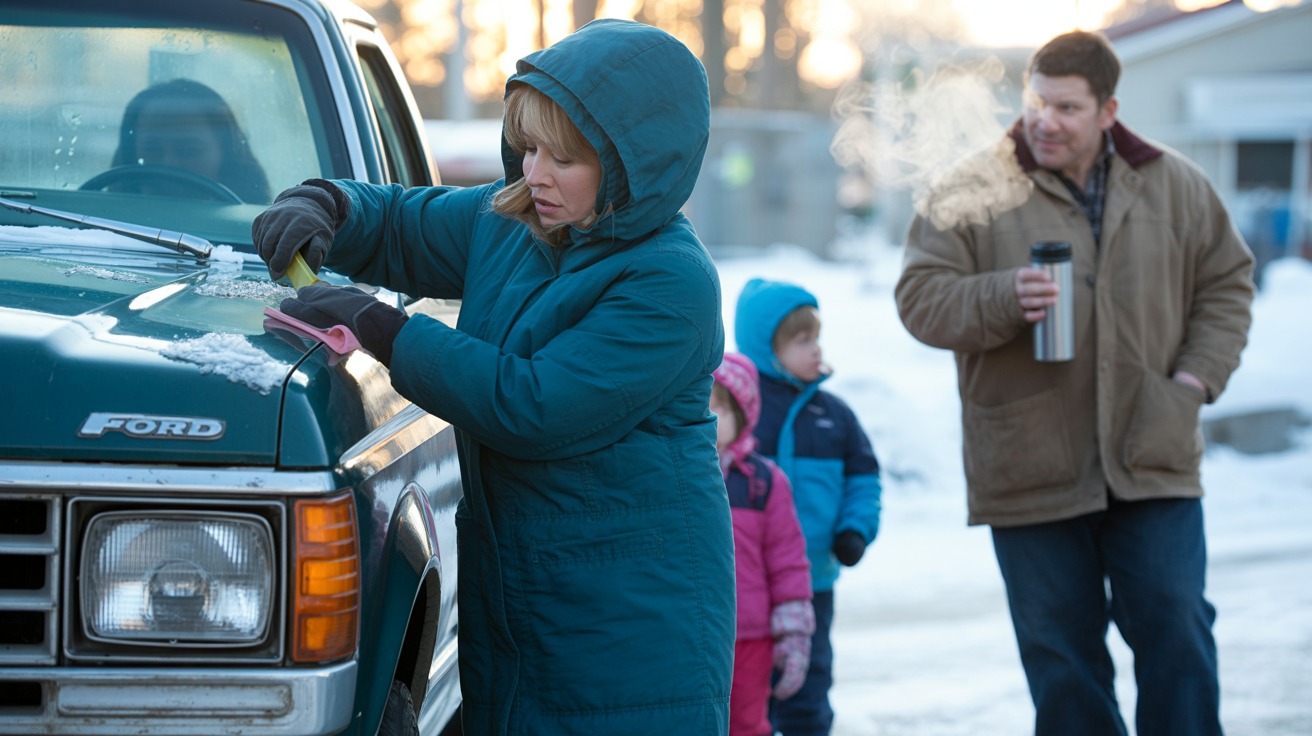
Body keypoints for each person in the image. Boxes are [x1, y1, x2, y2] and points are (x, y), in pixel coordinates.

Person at [251, 19, 734, 734]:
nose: (535, 173)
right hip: (520, 602)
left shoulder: (670, 282)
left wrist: (386, 330)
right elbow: (400, 226)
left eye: (563, 157)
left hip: (629, 625)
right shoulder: (518, 222)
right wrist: (327, 205)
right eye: (527, 146)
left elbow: (534, 405)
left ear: (631, 166)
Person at [895, 30, 1255, 736]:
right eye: (1037, 102)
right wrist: (1002, 295)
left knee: (1177, 627)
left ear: (1108, 111)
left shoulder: (1176, 183)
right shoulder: (972, 187)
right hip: (1029, 461)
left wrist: (1193, 381)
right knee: (1062, 661)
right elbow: (919, 299)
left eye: (1067, 107)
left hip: (1152, 451)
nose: (1045, 121)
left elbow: (1227, 284)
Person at [733, 278, 883, 736]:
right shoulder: (741, 413)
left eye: (816, 337)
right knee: (747, 690)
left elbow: (864, 480)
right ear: (766, 348)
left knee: (810, 684)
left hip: (814, 578)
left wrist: (855, 529)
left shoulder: (835, 416)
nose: (815, 349)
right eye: (801, 340)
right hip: (746, 585)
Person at [711, 352, 815, 736]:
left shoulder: (764, 482)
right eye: (701, 406)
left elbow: (787, 562)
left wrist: (793, 633)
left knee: (746, 723)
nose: (710, 418)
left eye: (721, 408)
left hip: (751, 637)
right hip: (693, 635)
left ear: (744, 414)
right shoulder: (676, 476)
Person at [111, 78, 270, 202]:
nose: (169, 164)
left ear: (226, 155)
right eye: (153, 151)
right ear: (132, 155)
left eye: (189, 151)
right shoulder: (108, 223)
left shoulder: (259, 230)